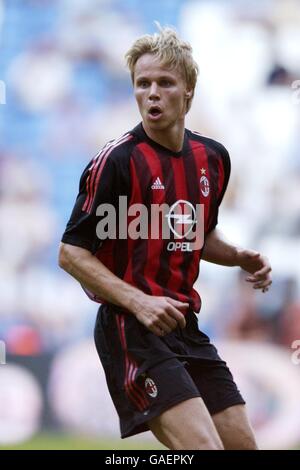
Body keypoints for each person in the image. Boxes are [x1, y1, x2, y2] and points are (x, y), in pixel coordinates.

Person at [59, 25, 272, 450]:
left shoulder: (212, 158)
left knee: (243, 447)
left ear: (189, 90)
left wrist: (238, 255)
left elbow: (198, 232)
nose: (152, 93)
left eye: (164, 83)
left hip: (185, 325)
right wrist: (139, 300)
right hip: (131, 327)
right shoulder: (116, 161)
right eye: (143, 84)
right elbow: (70, 252)